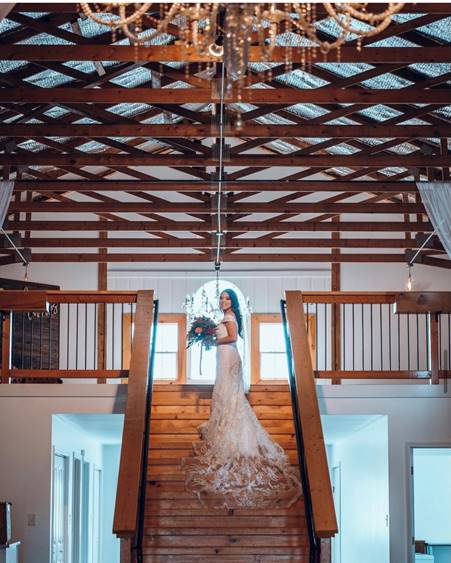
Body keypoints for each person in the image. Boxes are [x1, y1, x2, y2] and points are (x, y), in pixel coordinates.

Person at [182, 289, 302, 509]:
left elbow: (232, 337)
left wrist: (212, 339)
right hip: (224, 356)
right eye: (221, 298)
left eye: (227, 298)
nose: (223, 301)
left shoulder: (230, 317)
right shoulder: (224, 317)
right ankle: (223, 421)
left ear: (233, 302)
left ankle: (231, 427)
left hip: (228, 355)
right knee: (224, 391)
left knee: (229, 391)